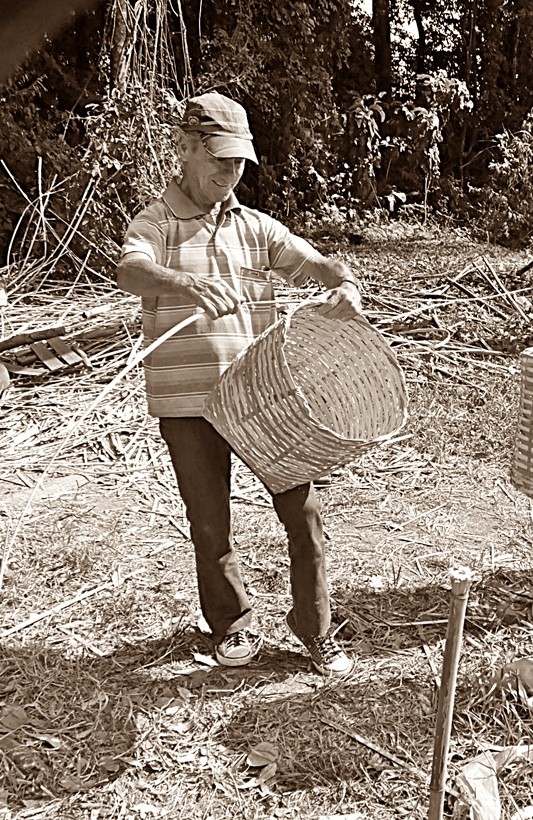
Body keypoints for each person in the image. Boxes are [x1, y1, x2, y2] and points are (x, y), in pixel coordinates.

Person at [116, 91, 362, 676]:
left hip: (263, 402)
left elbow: (317, 265)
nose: (229, 174)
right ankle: (231, 622)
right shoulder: (157, 223)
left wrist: (344, 283)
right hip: (189, 403)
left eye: (238, 163)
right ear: (184, 149)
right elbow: (130, 268)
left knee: (304, 514)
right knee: (208, 522)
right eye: (219, 160)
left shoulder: (257, 229)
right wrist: (181, 284)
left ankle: (315, 629)